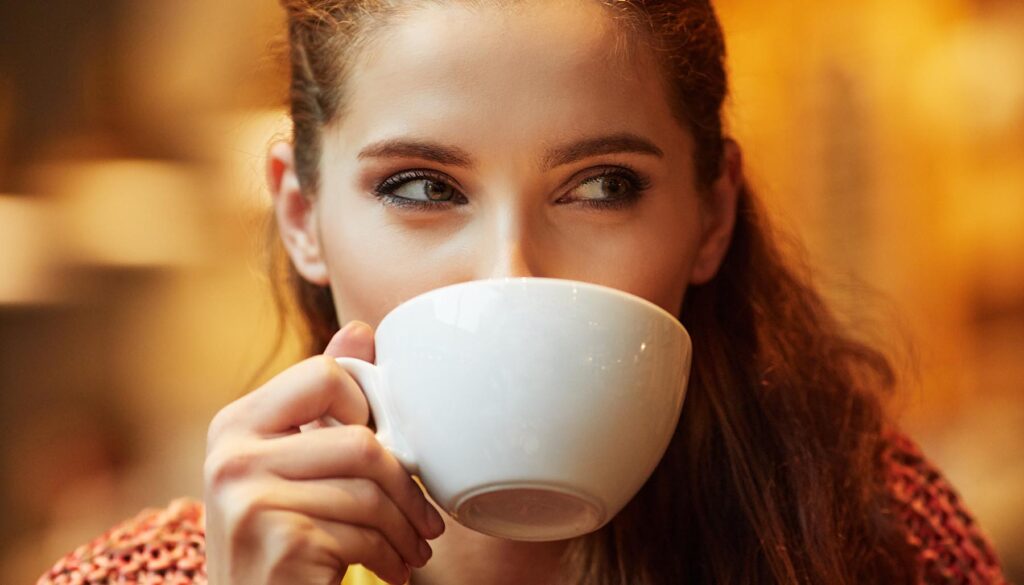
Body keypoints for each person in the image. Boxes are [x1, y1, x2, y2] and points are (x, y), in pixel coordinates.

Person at [38, 0, 1006, 584]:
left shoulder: (876, 542)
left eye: (601, 187)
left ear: (711, 218)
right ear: (301, 215)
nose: (511, 275)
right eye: (421, 188)